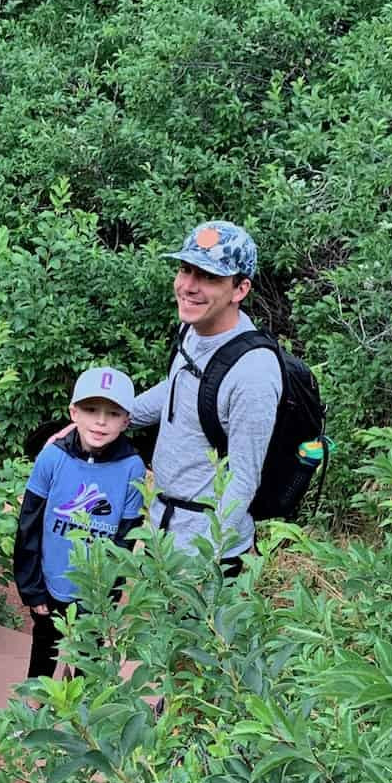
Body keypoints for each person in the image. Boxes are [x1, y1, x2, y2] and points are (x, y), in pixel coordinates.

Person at [127, 220, 280, 574]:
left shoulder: (253, 373)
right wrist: (115, 418)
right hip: (163, 530)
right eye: (185, 270)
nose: (189, 286)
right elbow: (180, 389)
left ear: (240, 289)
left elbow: (244, 478)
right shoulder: (193, 327)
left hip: (207, 552)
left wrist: (207, 561)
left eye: (209, 277)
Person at [13, 367, 147, 680]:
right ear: (73, 412)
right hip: (51, 583)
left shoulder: (132, 469)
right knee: (45, 643)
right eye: (90, 410)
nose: (100, 421)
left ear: (126, 420)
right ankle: (34, 708)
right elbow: (28, 525)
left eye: (113, 413)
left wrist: (109, 595)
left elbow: (125, 540)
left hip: (95, 590)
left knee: (90, 655)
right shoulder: (51, 459)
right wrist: (32, 589)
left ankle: (83, 717)